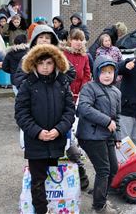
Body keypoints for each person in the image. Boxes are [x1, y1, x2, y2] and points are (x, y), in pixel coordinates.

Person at [14, 43, 75, 214]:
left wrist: (59, 130)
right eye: (41, 63)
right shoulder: (28, 84)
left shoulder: (62, 83)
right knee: (38, 181)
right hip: (36, 143)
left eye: (49, 63)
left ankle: (54, 206)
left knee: (53, 177)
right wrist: (37, 132)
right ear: (34, 64)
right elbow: (21, 114)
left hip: (56, 141)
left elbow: (70, 111)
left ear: (56, 63)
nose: (45, 67)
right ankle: (40, 210)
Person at [76, 56, 121, 214]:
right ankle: (99, 206)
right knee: (104, 170)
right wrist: (106, 121)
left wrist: (117, 137)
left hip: (107, 136)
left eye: (110, 71)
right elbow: (84, 108)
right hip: (91, 136)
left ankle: (100, 196)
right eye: (103, 72)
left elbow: (117, 117)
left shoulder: (116, 91)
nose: (107, 75)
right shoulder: (89, 87)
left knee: (113, 169)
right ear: (96, 72)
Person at [63, 28, 91, 103]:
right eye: (76, 39)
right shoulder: (64, 54)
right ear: (70, 40)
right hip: (66, 90)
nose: (79, 42)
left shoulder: (84, 56)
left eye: (81, 40)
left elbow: (87, 74)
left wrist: (83, 88)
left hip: (80, 91)